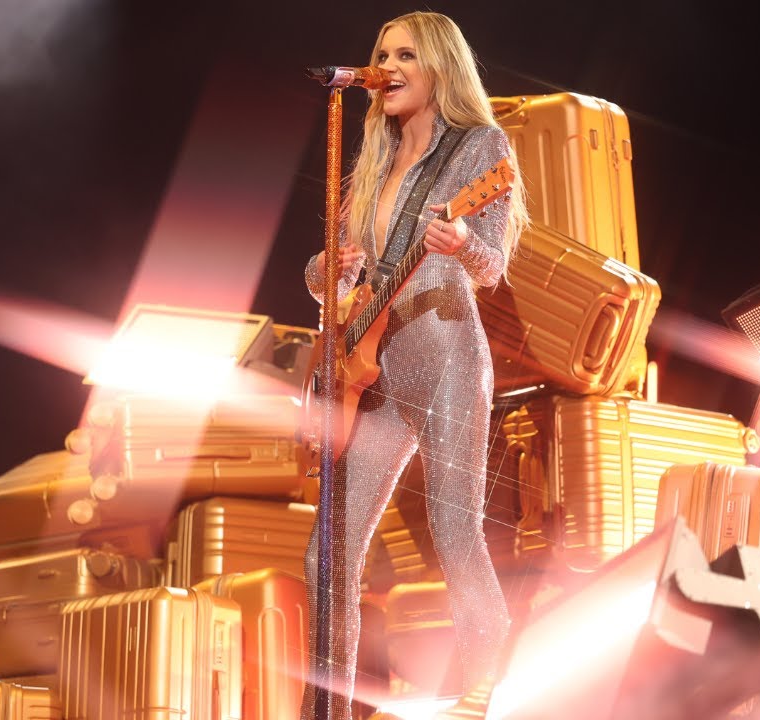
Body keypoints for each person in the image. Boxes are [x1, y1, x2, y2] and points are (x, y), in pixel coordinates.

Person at [300, 11, 530, 720]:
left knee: (455, 534)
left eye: (406, 55)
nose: (388, 67)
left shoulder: (479, 147)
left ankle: (488, 690)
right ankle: (328, 709)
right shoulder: (375, 158)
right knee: (326, 556)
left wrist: (462, 242)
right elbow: (331, 280)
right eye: (382, 54)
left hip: (448, 356)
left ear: (439, 66)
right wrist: (328, 268)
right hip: (377, 371)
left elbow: (490, 267)